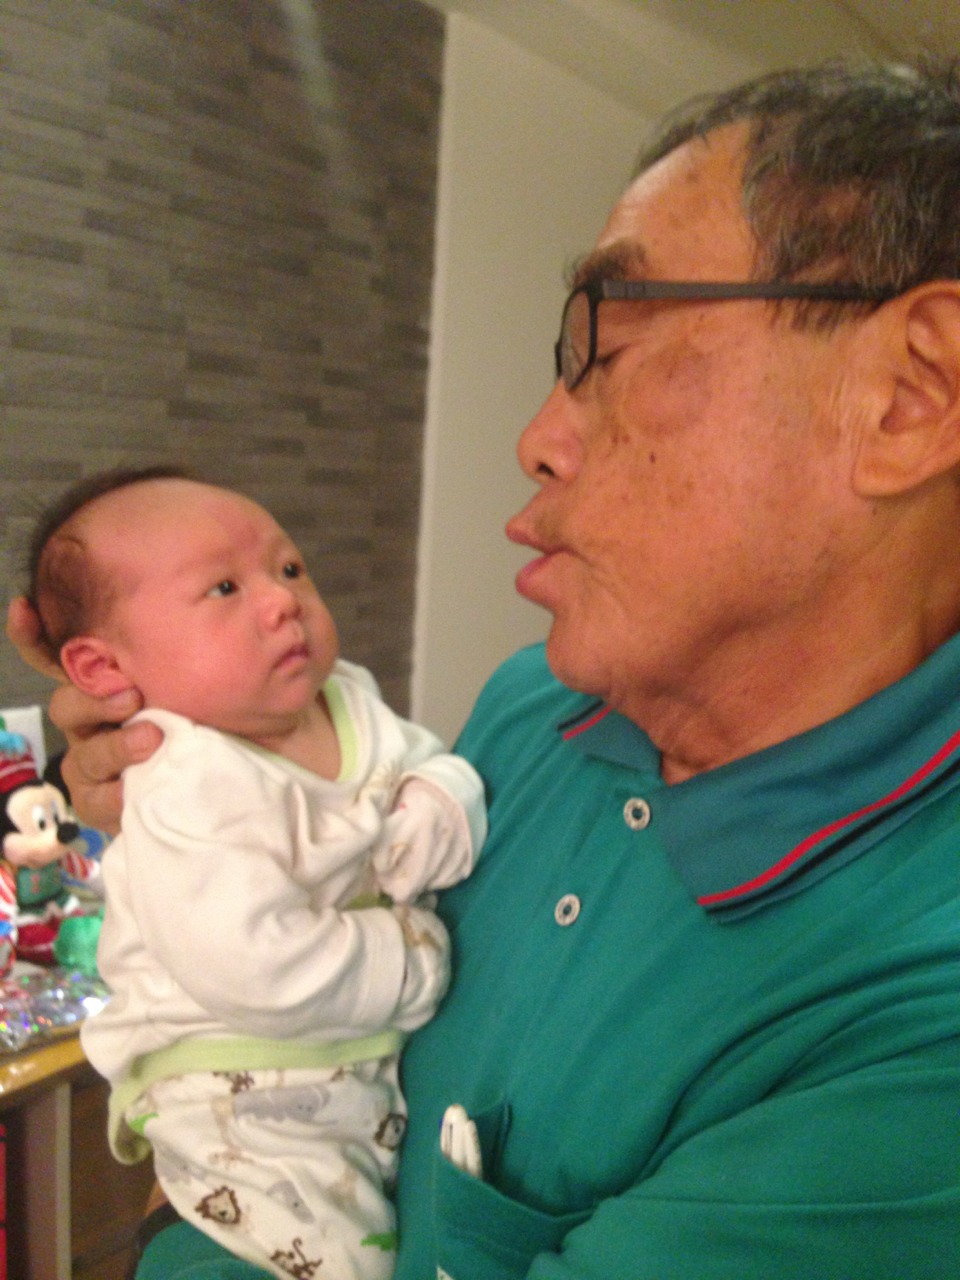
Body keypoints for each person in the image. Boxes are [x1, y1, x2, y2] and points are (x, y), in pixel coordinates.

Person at [9, 58, 960, 1280]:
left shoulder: (917, 1026)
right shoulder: (535, 708)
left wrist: (181, 1228)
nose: (539, 438)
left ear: (911, 394)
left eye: (607, 341)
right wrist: (182, 764)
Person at [23, 468, 486, 1279]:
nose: (283, 601)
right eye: (225, 588)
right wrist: (414, 957)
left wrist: (437, 802)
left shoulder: (347, 698)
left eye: (290, 568)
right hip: (238, 1088)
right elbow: (254, 964)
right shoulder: (182, 780)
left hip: (353, 1055)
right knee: (344, 1262)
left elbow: (428, 761)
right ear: (102, 669)